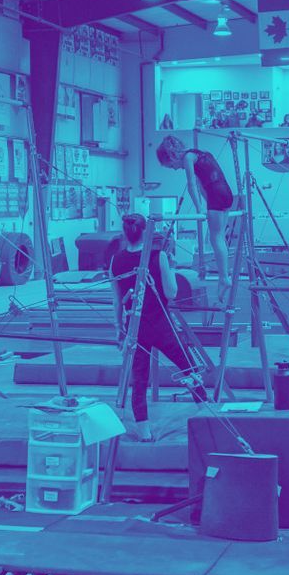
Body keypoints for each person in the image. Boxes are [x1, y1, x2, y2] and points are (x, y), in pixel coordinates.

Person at [108, 213, 208, 442]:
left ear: (126, 233)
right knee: (187, 366)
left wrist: (119, 330)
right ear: (146, 233)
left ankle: (143, 430)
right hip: (161, 324)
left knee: (139, 378)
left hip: (135, 327)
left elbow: (116, 301)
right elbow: (171, 293)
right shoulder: (159, 255)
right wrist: (168, 266)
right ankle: (204, 409)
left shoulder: (115, 261)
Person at [155, 136, 238, 301]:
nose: (174, 169)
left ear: (172, 156)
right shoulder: (201, 155)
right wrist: (207, 206)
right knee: (220, 237)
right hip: (227, 193)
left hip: (216, 193)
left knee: (216, 239)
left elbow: (192, 185)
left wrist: (200, 208)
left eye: (171, 166)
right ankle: (225, 275)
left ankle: (224, 278)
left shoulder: (187, 158)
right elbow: (203, 185)